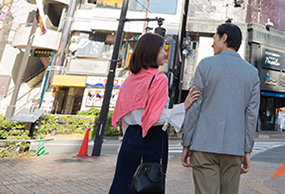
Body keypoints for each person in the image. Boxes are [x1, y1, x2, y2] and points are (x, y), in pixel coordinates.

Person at [109, 33, 201, 194]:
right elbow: (155, 118)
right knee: (149, 185)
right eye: (161, 50)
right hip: (152, 140)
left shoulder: (130, 79)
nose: (165, 54)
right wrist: (183, 107)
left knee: (122, 185)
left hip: (130, 140)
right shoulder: (159, 78)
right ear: (151, 51)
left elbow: (125, 116)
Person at [181, 23, 260, 194]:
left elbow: (195, 106)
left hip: (204, 144)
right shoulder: (252, 73)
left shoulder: (205, 65)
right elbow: (251, 115)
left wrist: (187, 143)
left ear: (224, 38)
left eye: (214, 38)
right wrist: (247, 150)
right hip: (234, 147)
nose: (212, 43)